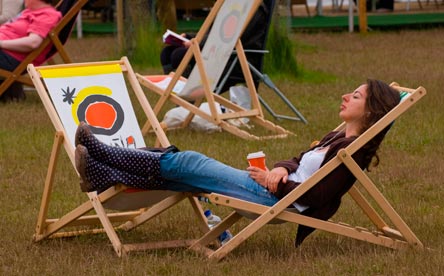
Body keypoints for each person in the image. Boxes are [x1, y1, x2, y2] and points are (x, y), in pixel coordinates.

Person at [74, 79, 401, 246]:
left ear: (372, 112)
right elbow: (300, 159)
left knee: (190, 162)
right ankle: (102, 172)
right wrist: (280, 169)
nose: (346, 96)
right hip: (274, 189)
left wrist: (274, 182)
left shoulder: (351, 151)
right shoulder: (340, 136)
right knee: (187, 176)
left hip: (275, 200)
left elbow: (316, 196)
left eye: (356, 96)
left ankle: (104, 156)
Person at [160, 0, 272, 91]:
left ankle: (186, 96)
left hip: (235, 60)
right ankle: (180, 94)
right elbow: (215, 32)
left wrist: (198, 43)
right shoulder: (231, 4)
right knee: (167, 53)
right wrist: (189, 36)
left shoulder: (253, 8)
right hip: (220, 52)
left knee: (179, 55)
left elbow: (230, 38)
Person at [0, 0, 61, 102]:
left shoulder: (47, 15)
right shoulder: (29, 11)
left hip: (10, 57)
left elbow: (33, 43)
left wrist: (1, 44)